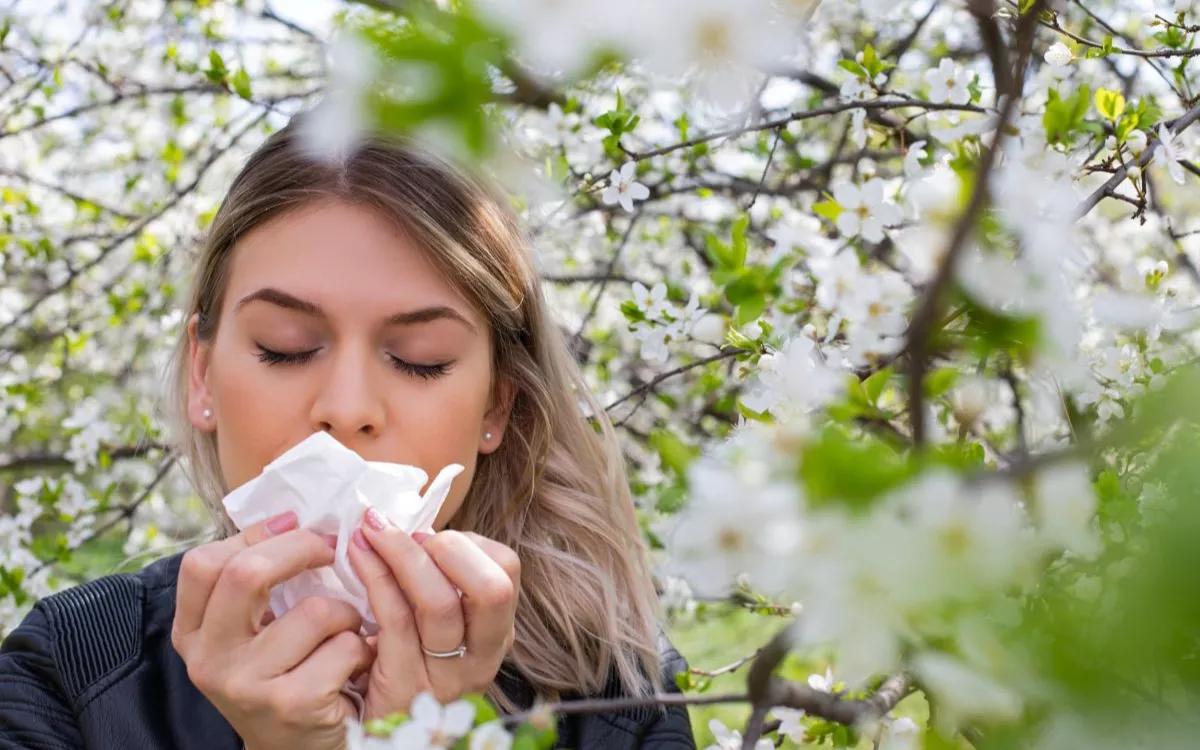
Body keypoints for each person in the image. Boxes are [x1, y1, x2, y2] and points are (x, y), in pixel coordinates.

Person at [0, 113, 695, 750]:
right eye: (286, 347)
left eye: (421, 361)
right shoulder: (71, 671)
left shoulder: (618, 698)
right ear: (202, 379)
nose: (347, 408)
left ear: (496, 409)